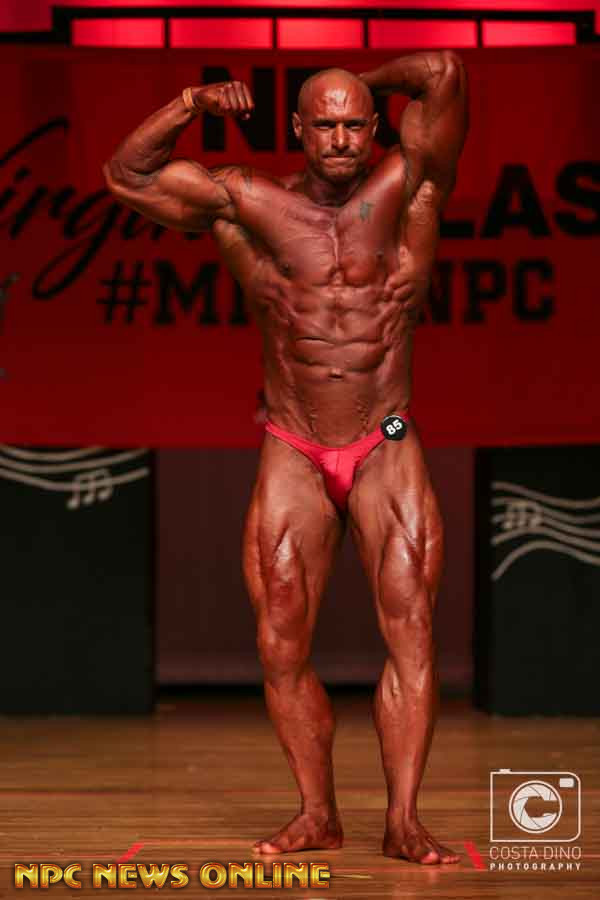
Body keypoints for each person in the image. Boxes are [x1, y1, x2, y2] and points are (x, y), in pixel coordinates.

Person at [104, 50, 468, 865]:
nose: (341, 139)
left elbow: (443, 71)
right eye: (324, 124)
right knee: (279, 639)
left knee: (412, 630)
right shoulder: (247, 201)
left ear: (373, 127)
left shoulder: (409, 183)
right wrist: (189, 102)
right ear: (297, 128)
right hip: (294, 443)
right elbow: (126, 176)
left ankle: (404, 821)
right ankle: (316, 814)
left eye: (355, 123)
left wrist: (360, 78)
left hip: (385, 438)